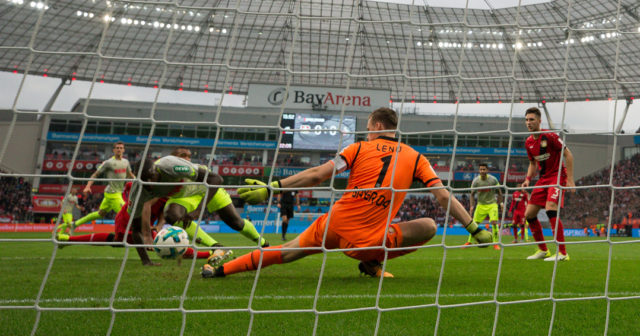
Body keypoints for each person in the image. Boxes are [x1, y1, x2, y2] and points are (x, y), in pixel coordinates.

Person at [201, 107, 492, 279]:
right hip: (366, 241)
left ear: (377, 127)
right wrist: (474, 228)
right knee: (428, 225)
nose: (366, 133)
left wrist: (272, 187)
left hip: (334, 224)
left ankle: (221, 271)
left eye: (367, 129)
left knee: (285, 252)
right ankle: (373, 262)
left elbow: (318, 174)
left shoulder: (356, 149)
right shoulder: (416, 157)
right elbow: (442, 197)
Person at [132, 153, 269, 264]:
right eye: (145, 181)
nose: (149, 185)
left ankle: (263, 244)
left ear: (157, 170)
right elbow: (135, 229)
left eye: (152, 178)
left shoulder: (171, 165)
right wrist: (146, 261)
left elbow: (216, 179)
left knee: (236, 223)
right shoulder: (138, 190)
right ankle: (217, 248)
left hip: (206, 187)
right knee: (171, 215)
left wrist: (198, 211)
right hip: (184, 195)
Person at [522, 107, 575, 261]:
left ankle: (563, 253)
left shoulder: (550, 136)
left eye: (531, 119)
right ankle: (543, 250)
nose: (528, 122)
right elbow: (532, 163)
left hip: (557, 176)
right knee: (529, 214)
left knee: (551, 208)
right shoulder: (529, 142)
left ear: (539, 121)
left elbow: (568, 154)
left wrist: (570, 179)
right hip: (543, 179)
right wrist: (527, 179)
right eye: (526, 120)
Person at [65, 142, 136, 232]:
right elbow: (95, 174)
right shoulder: (108, 162)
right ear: (113, 150)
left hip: (117, 192)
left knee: (100, 214)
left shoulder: (126, 162)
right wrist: (88, 186)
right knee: (126, 214)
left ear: (124, 150)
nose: (119, 149)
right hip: (112, 194)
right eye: (117, 148)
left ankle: (75, 224)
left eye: (121, 148)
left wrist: (138, 181)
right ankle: (127, 235)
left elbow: (130, 174)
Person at [464, 163, 503, 250]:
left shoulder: (493, 180)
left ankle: (495, 243)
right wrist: (471, 206)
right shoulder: (476, 181)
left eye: (484, 169)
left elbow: (499, 192)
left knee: (494, 222)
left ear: (487, 170)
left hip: (492, 204)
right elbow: (472, 194)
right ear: (479, 170)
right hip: (480, 205)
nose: (482, 171)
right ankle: (469, 241)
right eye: (481, 169)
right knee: (473, 224)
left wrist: (501, 204)